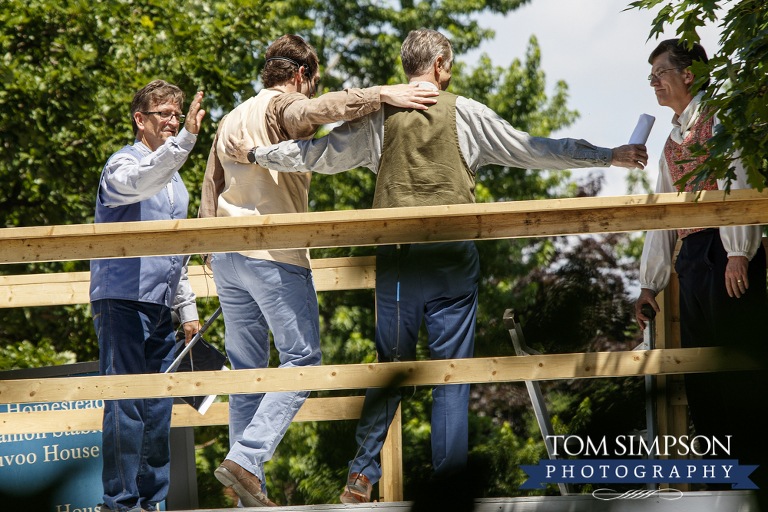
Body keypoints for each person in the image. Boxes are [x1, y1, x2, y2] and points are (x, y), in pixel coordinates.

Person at [228, 28, 647, 503]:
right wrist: (608, 154)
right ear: (441, 64)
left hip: (399, 264)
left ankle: (361, 477)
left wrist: (259, 154)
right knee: (452, 375)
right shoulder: (467, 114)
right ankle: (449, 489)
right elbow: (534, 148)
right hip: (451, 261)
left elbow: (315, 155)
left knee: (391, 367)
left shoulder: (378, 119)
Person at [198, 34, 439, 507]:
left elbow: (211, 186)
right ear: (301, 75)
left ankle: (249, 488)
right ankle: (246, 458)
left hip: (226, 258)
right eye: (311, 82)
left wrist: (210, 253)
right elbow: (310, 113)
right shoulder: (281, 106)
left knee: (250, 372)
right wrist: (381, 94)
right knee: (303, 362)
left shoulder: (231, 117)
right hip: (274, 255)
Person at [635, 39, 767, 493]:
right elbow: (663, 212)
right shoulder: (673, 136)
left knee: (737, 367)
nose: (654, 82)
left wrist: (737, 251)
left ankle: (755, 480)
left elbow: (739, 181)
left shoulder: (722, 117)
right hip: (692, 258)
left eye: (660, 73)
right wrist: (649, 284)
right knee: (700, 371)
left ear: (688, 75)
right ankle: (719, 484)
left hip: (724, 251)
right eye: (650, 76)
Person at [90, 79, 205, 512]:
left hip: (160, 305)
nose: (174, 121)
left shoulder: (175, 181)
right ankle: (120, 503)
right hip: (120, 299)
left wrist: (187, 310)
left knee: (157, 407)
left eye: (178, 115)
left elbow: (176, 251)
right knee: (126, 403)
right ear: (140, 120)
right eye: (165, 114)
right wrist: (187, 142)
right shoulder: (122, 165)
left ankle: (153, 502)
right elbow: (141, 183)